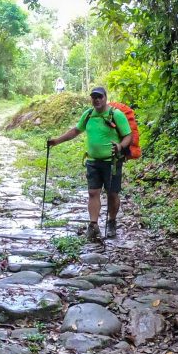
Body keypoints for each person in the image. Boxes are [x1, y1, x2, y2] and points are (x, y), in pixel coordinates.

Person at [47, 86, 132, 241]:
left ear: (105, 98)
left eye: (100, 97)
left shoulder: (116, 115)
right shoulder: (88, 115)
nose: (97, 100)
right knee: (93, 193)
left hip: (112, 162)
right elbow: (75, 131)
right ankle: (93, 225)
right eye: (94, 97)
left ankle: (112, 221)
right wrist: (57, 141)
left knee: (112, 194)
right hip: (92, 161)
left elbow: (128, 136)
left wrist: (120, 146)